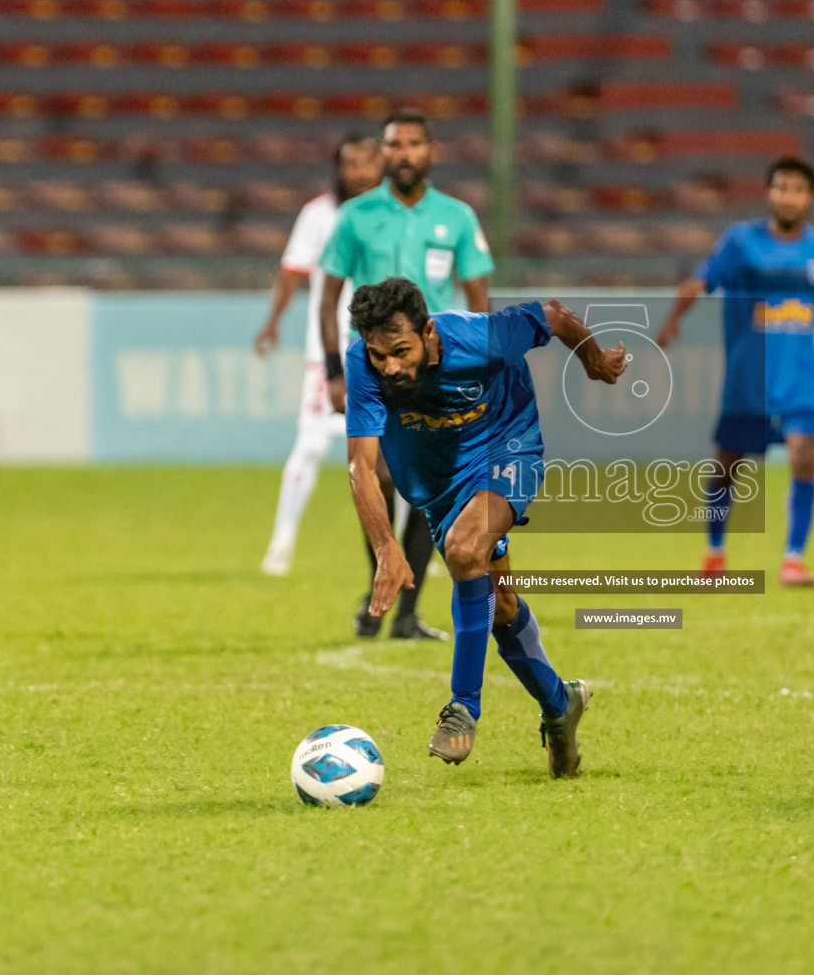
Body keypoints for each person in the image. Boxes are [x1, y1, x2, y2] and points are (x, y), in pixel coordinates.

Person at [343, 277, 627, 777]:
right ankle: (561, 705)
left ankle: (462, 708)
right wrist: (386, 546)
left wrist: (595, 361)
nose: (390, 366)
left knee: (464, 548)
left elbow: (557, 315)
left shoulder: (480, 339)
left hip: (507, 446)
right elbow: (361, 467)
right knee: (501, 606)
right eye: (378, 354)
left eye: (401, 351)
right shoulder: (363, 365)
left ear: (429, 332)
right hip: (439, 483)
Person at [655, 156, 814, 587]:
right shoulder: (740, 243)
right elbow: (700, 282)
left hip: (799, 380)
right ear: (769, 192)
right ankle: (715, 554)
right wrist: (673, 318)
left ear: (810, 197)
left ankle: (793, 559)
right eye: (780, 187)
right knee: (727, 466)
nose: (788, 196)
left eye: (797, 189)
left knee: (803, 456)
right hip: (749, 381)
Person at [318, 107, 494, 642]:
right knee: (377, 476)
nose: (403, 154)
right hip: (374, 370)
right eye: (393, 145)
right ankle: (383, 579)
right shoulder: (354, 216)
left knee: (428, 488)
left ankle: (407, 613)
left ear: (431, 152)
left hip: (435, 371)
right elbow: (326, 300)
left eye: (413, 144)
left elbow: (478, 296)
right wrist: (333, 371)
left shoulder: (458, 217)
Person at [253, 134, 389, 600]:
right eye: (350, 164)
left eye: (367, 162)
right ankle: (282, 541)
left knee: (400, 458)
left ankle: (404, 553)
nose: (359, 172)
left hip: (387, 352)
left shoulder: (397, 215)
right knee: (311, 445)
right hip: (327, 352)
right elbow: (293, 272)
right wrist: (273, 322)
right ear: (338, 168)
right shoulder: (319, 215)